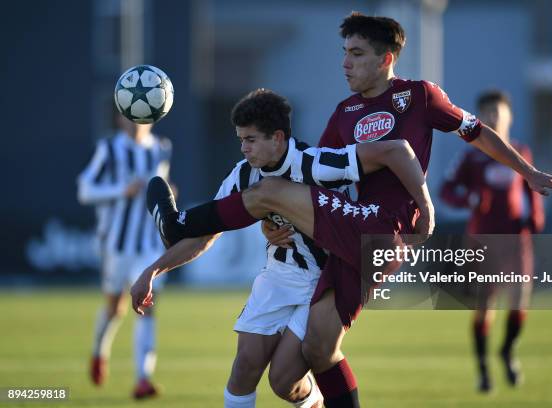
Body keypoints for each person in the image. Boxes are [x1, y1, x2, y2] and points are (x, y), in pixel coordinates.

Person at [135, 13, 552, 408]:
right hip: (350, 238)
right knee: (304, 361)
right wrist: (275, 222)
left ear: (386, 58)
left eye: (357, 54)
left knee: (269, 191)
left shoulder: (419, 96)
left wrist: (526, 173)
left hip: (386, 227)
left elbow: (474, 133)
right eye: (344, 53)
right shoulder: (344, 113)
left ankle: (177, 224)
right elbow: (313, 180)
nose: (346, 63)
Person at [133, 88, 432, 408]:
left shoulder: (317, 164)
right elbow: (208, 234)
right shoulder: (243, 174)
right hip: (277, 276)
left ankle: (173, 223)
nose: (244, 149)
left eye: (250, 140)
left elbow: (394, 154)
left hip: (321, 282)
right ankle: (173, 225)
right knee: (244, 368)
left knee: (283, 380)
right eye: (240, 140)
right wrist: (152, 270)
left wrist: (423, 208)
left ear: (277, 138)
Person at [440, 90, 544, 392]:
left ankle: (508, 352)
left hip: (516, 239)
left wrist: (535, 218)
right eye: (487, 112)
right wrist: (469, 199)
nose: (493, 117)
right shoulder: (471, 156)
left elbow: (530, 191)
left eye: (498, 112)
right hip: (483, 241)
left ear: (510, 116)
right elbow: (446, 189)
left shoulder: (521, 152)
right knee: (485, 306)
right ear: (479, 117)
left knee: (520, 301)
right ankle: (484, 369)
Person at [77, 114, 172, 399]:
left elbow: (161, 185)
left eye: (141, 117)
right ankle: (98, 352)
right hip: (117, 245)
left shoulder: (162, 147)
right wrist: (122, 190)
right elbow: (85, 189)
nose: (135, 123)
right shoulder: (109, 148)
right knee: (114, 308)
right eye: (129, 116)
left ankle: (143, 378)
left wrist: (170, 196)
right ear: (119, 119)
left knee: (147, 305)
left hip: (149, 245)